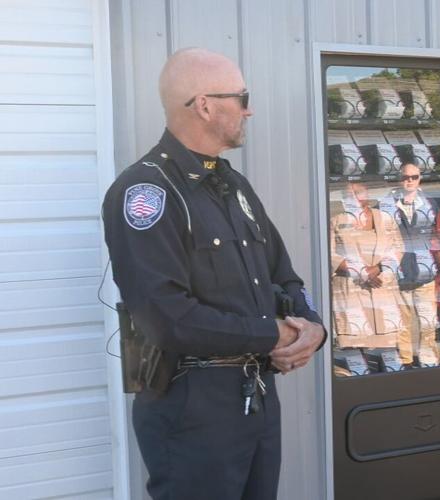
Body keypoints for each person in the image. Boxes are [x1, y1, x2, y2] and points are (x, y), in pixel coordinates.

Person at [102, 48, 326, 500]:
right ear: (204, 105)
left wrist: (313, 329)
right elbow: (168, 318)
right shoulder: (145, 192)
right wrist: (274, 336)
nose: (250, 108)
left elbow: (283, 276)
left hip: (256, 398)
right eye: (241, 97)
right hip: (192, 410)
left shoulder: (233, 185)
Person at [330, 181, 407, 369]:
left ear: (367, 194)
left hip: (383, 290)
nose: (354, 197)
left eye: (358, 192)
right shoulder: (336, 221)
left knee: (389, 351)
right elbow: (330, 255)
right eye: (349, 194)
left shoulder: (385, 218)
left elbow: (399, 248)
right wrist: (363, 272)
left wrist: (379, 267)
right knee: (355, 350)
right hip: (351, 292)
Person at [386, 163, 440, 367]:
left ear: (420, 178)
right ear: (399, 179)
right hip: (400, 272)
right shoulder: (387, 203)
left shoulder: (430, 203)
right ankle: (404, 362)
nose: (410, 180)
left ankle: (428, 362)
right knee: (401, 323)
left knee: (428, 322)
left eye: (414, 177)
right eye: (406, 177)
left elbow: (439, 235)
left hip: (425, 271)